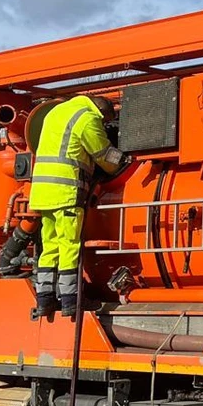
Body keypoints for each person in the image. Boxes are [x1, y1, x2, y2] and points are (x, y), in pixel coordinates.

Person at [28, 94, 126, 318]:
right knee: (69, 245)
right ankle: (71, 301)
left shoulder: (58, 112)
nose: (103, 125)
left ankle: (45, 301)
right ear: (102, 112)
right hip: (66, 193)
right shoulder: (87, 118)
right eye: (105, 121)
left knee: (49, 246)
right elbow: (103, 154)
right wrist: (123, 161)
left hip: (43, 192)